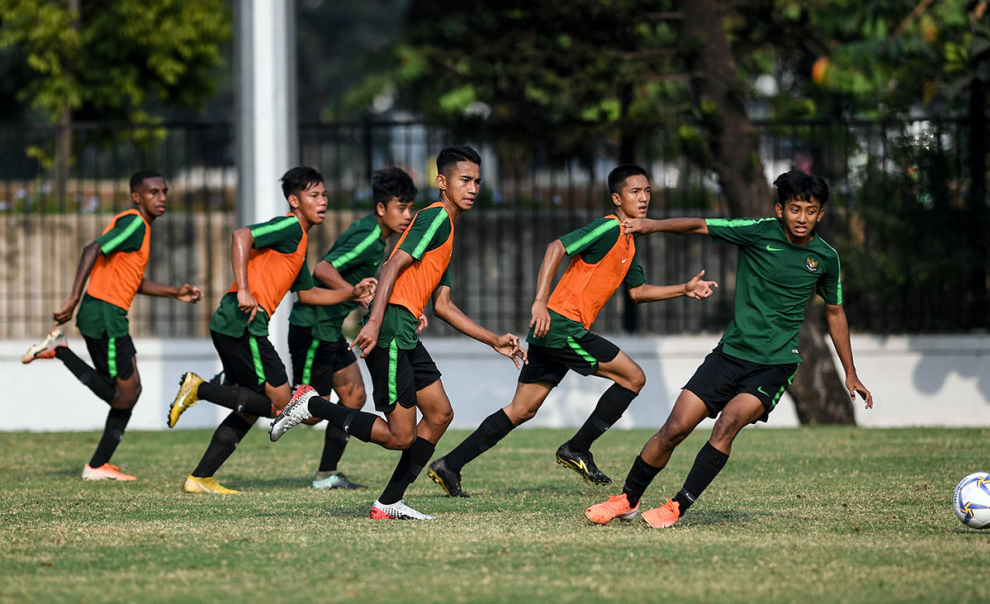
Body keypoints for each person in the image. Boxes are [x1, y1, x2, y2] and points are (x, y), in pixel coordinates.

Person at [585, 169, 873, 529]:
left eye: (811, 211)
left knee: (728, 423)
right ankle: (627, 500)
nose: (802, 218)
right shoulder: (757, 231)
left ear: (821, 214)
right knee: (674, 428)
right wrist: (652, 226)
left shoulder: (825, 257)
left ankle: (677, 506)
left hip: (774, 365)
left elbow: (835, 312)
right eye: (795, 209)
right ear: (779, 209)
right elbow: (699, 225)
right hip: (729, 355)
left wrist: (850, 371)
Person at [425, 164, 717, 499]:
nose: (644, 197)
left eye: (648, 191)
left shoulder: (629, 242)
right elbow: (556, 247)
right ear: (617, 198)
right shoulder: (609, 228)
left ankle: (450, 464)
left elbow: (638, 292)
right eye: (635, 191)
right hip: (562, 326)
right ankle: (577, 448)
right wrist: (539, 302)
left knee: (522, 410)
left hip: (553, 331)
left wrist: (684, 288)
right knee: (633, 378)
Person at [270, 145, 527, 521]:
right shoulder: (435, 218)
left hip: (405, 330)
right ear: (442, 182)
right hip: (389, 329)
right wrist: (373, 321)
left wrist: (494, 341)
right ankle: (312, 404)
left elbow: (443, 305)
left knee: (439, 414)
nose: (472, 188)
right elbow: (391, 266)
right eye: (464, 180)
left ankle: (389, 502)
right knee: (400, 436)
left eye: (477, 182)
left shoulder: (448, 229)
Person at [167, 166, 373, 494]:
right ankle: (200, 389)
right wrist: (245, 289)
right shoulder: (290, 226)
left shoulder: (299, 241)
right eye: (314, 196)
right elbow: (241, 236)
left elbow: (307, 294)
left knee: (250, 407)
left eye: (324, 195)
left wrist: (352, 292)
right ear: (294, 200)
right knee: (282, 406)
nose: (323, 202)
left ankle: (200, 477)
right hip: (243, 325)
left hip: (237, 326)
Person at [22, 170, 203, 481]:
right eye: (153, 192)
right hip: (103, 315)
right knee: (124, 395)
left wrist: (176, 293)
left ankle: (98, 465)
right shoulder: (133, 222)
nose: (161, 198)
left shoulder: (141, 228)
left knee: (130, 391)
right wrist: (72, 299)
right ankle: (60, 350)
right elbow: (91, 249)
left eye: (164, 191)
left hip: (111, 314)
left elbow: (133, 281)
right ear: (137, 196)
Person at [286, 166, 418, 491]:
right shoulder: (370, 236)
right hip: (313, 326)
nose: (407, 215)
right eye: (401, 208)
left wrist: (364, 297)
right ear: (381, 209)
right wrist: (354, 292)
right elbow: (324, 267)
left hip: (331, 329)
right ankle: (226, 389)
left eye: (411, 208)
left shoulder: (379, 237)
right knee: (311, 412)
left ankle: (326, 475)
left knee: (354, 396)